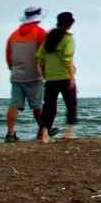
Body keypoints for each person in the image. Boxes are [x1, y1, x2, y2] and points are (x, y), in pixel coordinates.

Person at [4, 5, 47, 143]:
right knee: (37, 106)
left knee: (14, 105)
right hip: (34, 75)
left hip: (17, 75)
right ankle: (42, 130)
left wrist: (13, 68)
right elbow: (44, 55)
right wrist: (45, 73)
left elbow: (8, 56)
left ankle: (10, 133)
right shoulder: (41, 33)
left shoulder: (13, 35)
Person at [36, 10, 78, 142]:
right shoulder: (68, 38)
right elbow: (67, 60)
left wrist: (43, 73)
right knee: (71, 105)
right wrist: (72, 78)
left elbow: (40, 57)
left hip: (51, 78)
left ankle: (44, 133)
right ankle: (69, 133)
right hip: (65, 77)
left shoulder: (49, 37)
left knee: (49, 107)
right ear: (71, 24)